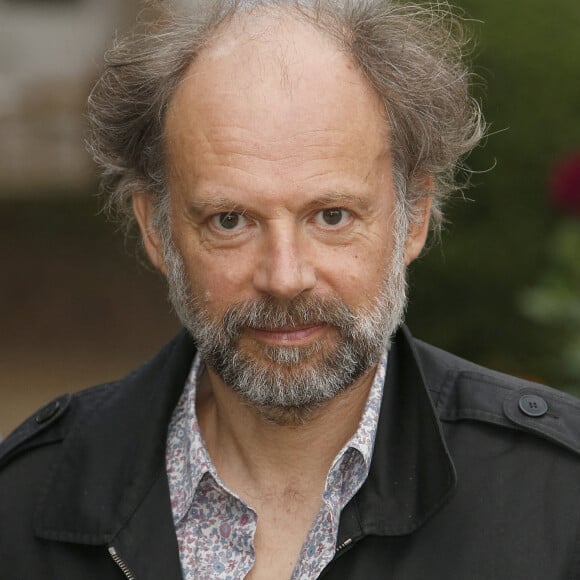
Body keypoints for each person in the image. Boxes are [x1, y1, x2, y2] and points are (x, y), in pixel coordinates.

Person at [1, 0, 580, 578]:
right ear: (157, 230)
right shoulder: (22, 506)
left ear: (416, 216)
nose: (284, 277)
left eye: (331, 216)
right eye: (231, 220)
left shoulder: (559, 499)